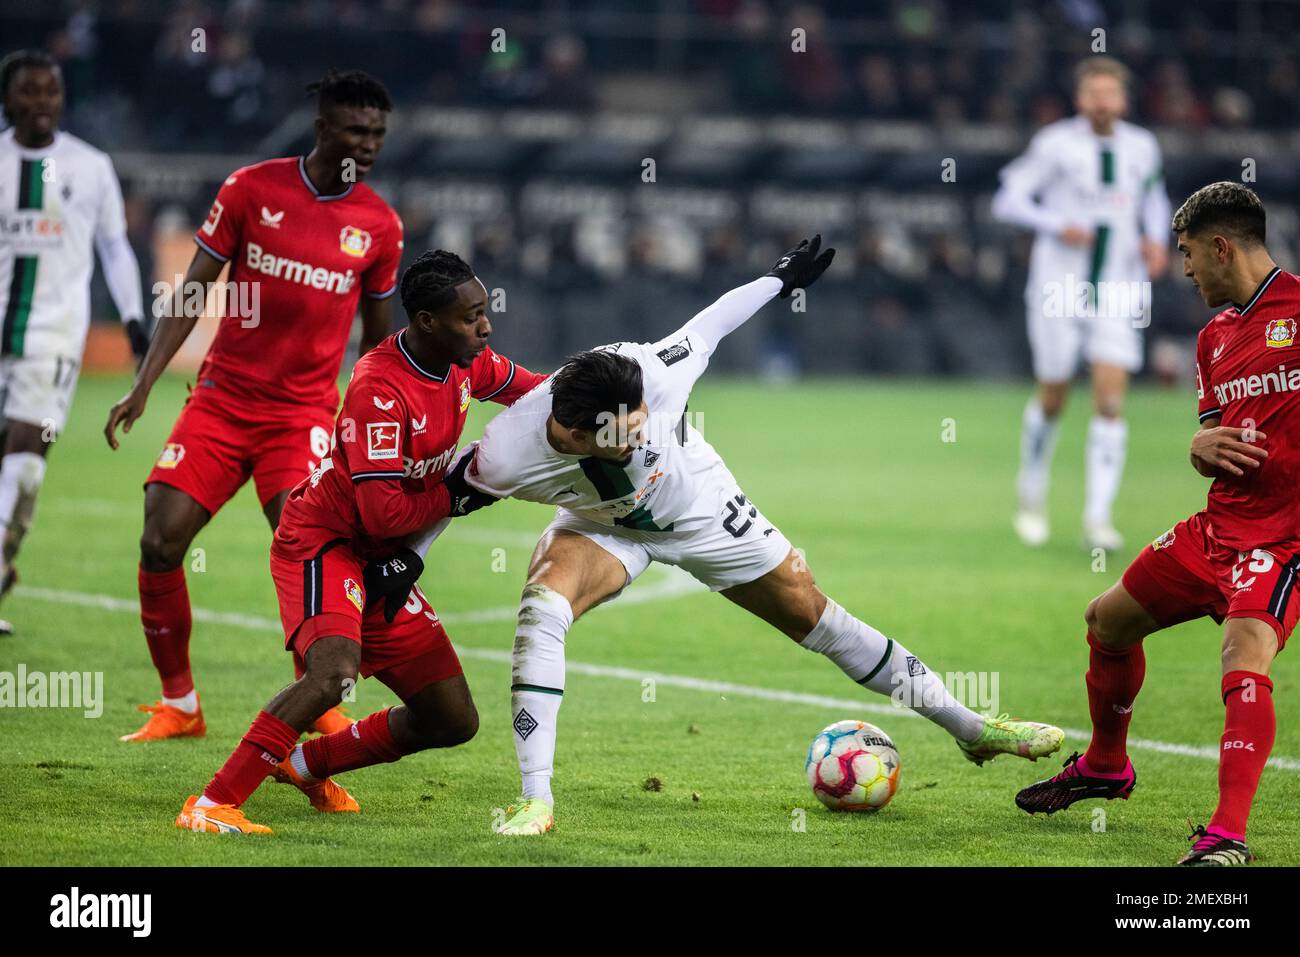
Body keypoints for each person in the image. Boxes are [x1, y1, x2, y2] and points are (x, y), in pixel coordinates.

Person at [430, 236, 1065, 836]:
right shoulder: (507, 455)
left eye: (638, 423)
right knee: (541, 610)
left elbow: (710, 324)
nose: (634, 436)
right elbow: (439, 503)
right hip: (602, 528)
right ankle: (535, 796)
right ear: (569, 435)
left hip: (702, 506)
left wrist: (780, 278)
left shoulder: (650, 371)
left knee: (819, 619)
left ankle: (970, 727)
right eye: (616, 435)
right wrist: (403, 563)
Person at [176, 250, 545, 833]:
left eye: (484, 313)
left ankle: (305, 765)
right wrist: (461, 494)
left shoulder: (466, 364)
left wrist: (612, 401)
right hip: (328, 542)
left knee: (451, 719)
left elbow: (539, 394)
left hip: (384, 558)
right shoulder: (380, 388)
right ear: (426, 321)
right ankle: (212, 804)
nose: (486, 327)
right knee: (331, 675)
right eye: (471, 317)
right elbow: (382, 513)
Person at [105, 69, 401, 741]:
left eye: (379, 132)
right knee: (160, 536)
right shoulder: (252, 189)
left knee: (312, 554)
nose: (371, 143)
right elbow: (193, 293)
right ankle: (179, 703)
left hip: (301, 416)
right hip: (223, 399)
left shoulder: (379, 225)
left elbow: (378, 346)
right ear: (323, 128)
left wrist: (368, 431)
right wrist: (144, 380)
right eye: (358, 129)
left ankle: (321, 707)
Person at [1016, 183, 1295, 866]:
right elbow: (1214, 442)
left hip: (1283, 537)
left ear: (1221, 245)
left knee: (1242, 653)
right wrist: (1198, 448)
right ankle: (1107, 765)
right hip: (1215, 531)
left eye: (1189, 253)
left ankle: (1226, 836)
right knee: (1106, 620)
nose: (1185, 267)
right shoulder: (1213, 338)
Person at [993, 56, 1171, 551]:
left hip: (1119, 286)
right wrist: (1056, 224)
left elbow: (1154, 200)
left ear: (1123, 98)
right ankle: (1031, 493)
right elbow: (1007, 199)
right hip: (1059, 286)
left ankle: (1098, 518)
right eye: (1093, 92)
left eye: (1110, 92)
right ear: (1080, 99)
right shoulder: (1056, 145)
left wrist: (1157, 238)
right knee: (1053, 395)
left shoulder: (1142, 146)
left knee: (1111, 400)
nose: (1101, 101)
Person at [0, 49, 147, 634]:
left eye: (51, 92)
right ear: (8, 99)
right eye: (29, 92)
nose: (41, 102)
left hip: (53, 339)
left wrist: (134, 317)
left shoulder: (90, 166)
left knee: (26, 466)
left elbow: (114, 246)